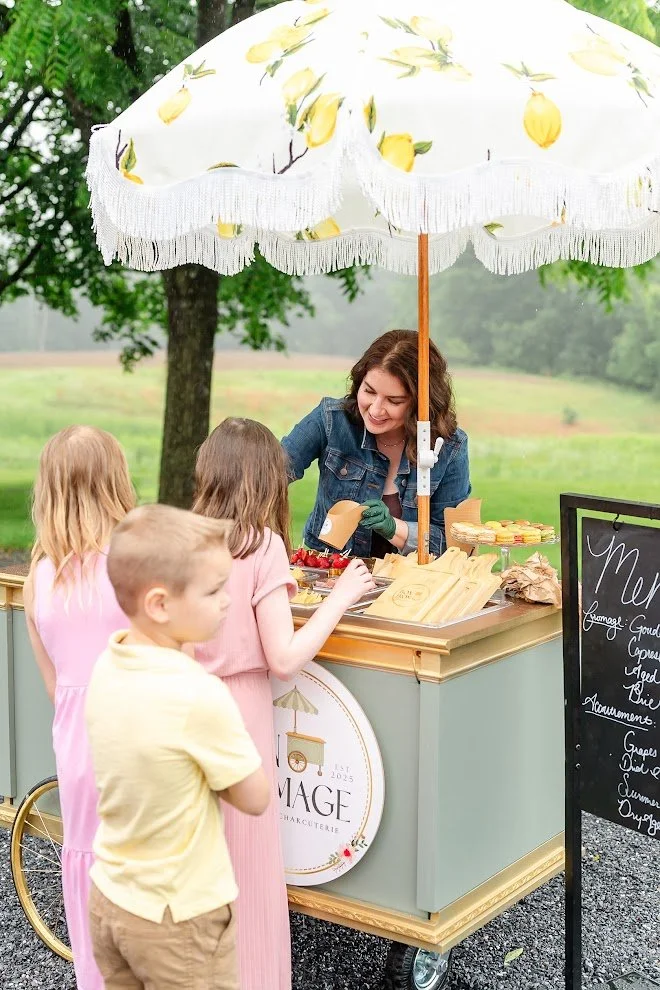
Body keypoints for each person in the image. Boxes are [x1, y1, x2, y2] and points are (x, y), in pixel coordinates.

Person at [192, 418, 375, 990]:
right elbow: (285, 658)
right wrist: (341, 596)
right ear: (267, 479)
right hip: (239, 716)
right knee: (246, 867)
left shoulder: (181, 540)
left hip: (186, 710)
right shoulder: (261, 545)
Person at [85, 503, 270, 990]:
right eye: (212, 590)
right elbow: (254, 798)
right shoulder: (197, 694)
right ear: (160, 605)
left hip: (112, 898)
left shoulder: (109, 664)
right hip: (180, 916)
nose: (227, 600)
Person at [23, 425, 135, 990]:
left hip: (78, 746)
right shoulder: (136, 568)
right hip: (138, 737)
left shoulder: (38, 578)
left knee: (86, 861)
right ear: (115, 481)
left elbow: (53, 684)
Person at [281, 329, 471, 559]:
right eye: (369, 391)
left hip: (409, 585)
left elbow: (457, 545)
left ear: (422, 403)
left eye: (394, 400)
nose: (375, 409)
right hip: (329, 574)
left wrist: (395, 527)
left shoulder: (449, 447)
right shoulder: (331, 420)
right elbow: (272, 472)